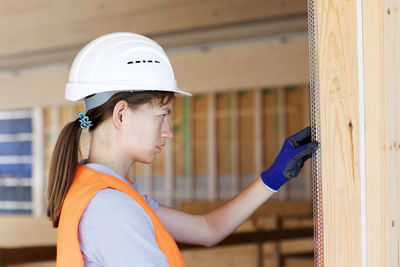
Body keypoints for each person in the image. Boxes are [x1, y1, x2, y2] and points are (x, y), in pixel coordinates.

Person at [46, 32, 318, 267]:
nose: (168, 131)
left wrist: (272, 178)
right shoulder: (110, 208)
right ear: (121, 115)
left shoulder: (100, 190)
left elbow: (206, 230)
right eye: (161, 115)